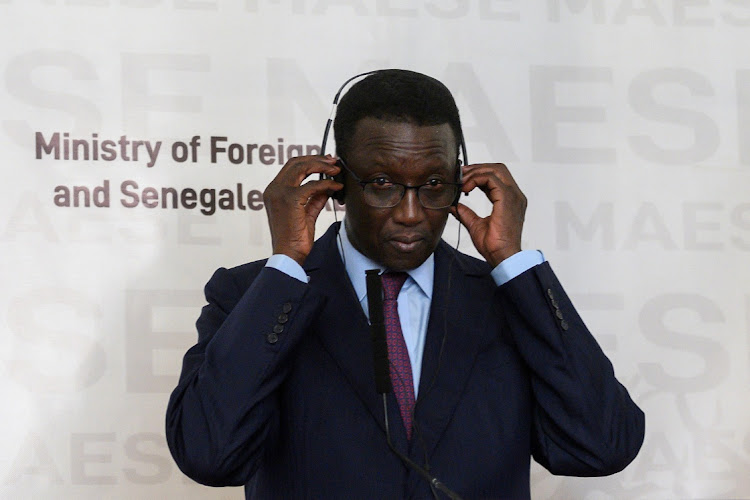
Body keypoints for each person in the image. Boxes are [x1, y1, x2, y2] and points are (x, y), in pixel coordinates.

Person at [166, 69, 645, 499]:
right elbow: (209, 455)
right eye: (381, 182)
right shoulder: (256, 297)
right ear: (337, 180)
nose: (411, 213)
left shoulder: (508, 299)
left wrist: (513, 263)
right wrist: (288, 262)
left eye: (434, 185)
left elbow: (603, 447)